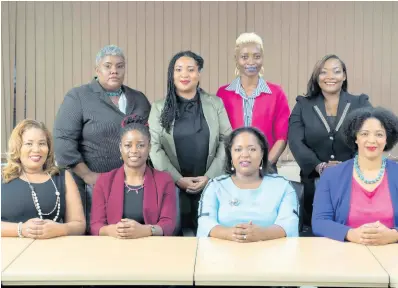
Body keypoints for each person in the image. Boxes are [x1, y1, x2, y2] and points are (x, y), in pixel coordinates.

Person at [53, 45, 151, 229]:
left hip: (134, 186)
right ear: (97, 70)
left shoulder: (139, 99)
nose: (114, 70)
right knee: (96, 236)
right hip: (91, 185)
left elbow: (150, 138)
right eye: (108, 66)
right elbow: (63, 142)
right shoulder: (79, 97)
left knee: (131, 234)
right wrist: (88, 175)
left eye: (120, 66)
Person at [149, 51, 232, 234]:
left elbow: (226, 140)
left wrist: (209, 177)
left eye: (190, 69)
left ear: (199, 74)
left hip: (211, 183)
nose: (184, 75)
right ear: (172, 75)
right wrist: (178, 180)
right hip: (173, 186)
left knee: (210, 237)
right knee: (176, 239)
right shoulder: (158, 107)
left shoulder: (215, 103)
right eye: (178, 70)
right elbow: (154, 147)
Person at [288, 54, 372, 226]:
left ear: (344, 76)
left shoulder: (360, 103)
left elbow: (372, 135)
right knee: (316, 234)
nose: (330, 77)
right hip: (314, 184)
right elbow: (295, 141)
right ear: (317, 77)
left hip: (355, 182)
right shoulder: (303, 105)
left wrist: (350, 166)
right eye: (323, 72)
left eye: (336, 71)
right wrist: (320, 167)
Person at [312, 107, 398, 244]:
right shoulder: (331, 175)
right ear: (355, 137)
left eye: (379, 134)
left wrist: (394, 235)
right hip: (345, 256)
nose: (372, 140)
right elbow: (319, 222)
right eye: (364, 134)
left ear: (387, 139)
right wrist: (350, 234)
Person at [197, 127, 299, 241]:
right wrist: (230, 234)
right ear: (230, 155)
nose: (245, 154)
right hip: (222, 253)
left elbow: (289, 224)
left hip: (271, 253)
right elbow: (205, 224)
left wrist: (262, 234)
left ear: (262, 153)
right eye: (238, 149)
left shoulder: (282, 186)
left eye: (252, 149)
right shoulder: (215, 186)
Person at [90, 115, 177, 238]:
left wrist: (145, 231)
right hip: (114, 247)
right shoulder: (104, 181)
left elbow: (168, 224)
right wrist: (112, 230)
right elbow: (96, 225)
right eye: (128, 145)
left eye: (141, 145)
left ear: (149, 148)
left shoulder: (164, 180)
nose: (134, 150)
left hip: (152, 249)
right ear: (120, 148)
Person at [216, 32, 290, 171]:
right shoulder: (223, 94)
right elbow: (220, 137)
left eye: (257, 56)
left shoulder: (276, 93)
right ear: (236, 59)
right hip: (231, 170)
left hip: (266, 170)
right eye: (244, 57)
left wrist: (264, 165)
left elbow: (282, 137)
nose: (251, 62)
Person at [1, 119, 86, 238]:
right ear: (17, 147)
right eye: (29, 143)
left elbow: (79, 225)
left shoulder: (63, 177)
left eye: (42, 143)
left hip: (53, 253)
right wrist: (21, 229)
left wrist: (60, 229)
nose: (36, 149)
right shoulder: (3, 177)